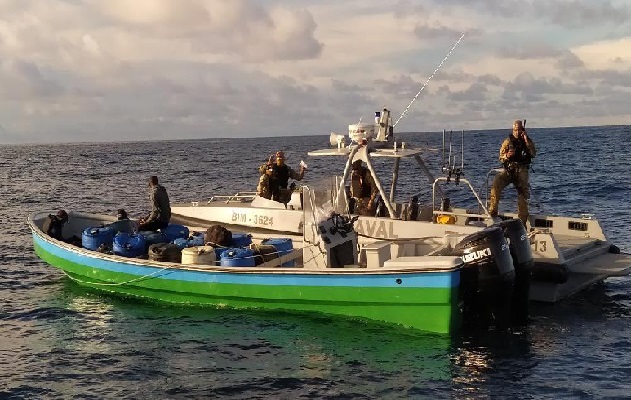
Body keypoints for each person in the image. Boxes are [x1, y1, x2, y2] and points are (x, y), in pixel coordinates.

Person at [488, 119, 536, 227]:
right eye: (515, 130)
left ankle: (522, 222)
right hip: (509, 170)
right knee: (496, 182)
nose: (517, 132)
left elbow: (533, 153)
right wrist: (507, 156)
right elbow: (501, 157)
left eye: (519, 130)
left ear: (523, 130)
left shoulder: (527, 141)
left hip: (522, 170)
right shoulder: (507, 142)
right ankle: (493, 210)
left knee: (523, 193)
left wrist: (526, 140)